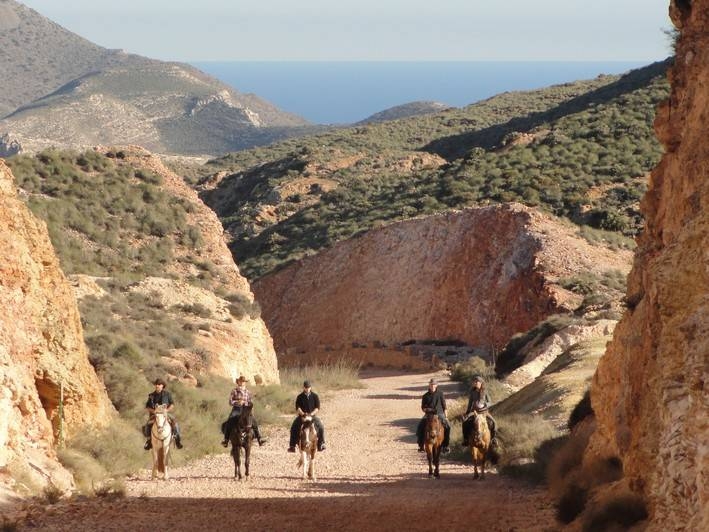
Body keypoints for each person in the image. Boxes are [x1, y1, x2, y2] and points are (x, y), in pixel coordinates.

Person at [220, 375, 267, 447]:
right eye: (240, 381)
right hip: (236, 409)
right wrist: (237, 402)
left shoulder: (248, 392)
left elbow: (250, 402)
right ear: (238, 382)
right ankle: (226, 440)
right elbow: (230, 402)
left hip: (246, 409)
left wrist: (246, 404)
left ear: (245, 383)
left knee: (254, 421)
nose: (242, 383)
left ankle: (259, 439)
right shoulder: (234, 391)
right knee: (230, 420)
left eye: (243, 381)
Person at [144, 378, 183, 450]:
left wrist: (167, 410)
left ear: (162, 386)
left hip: (165, 414)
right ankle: (149, 441)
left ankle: (177, 440)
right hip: (155, 415)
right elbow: (147, 407)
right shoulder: (151, 396)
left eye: (159, 384)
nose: (157, 386)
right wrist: (153, 411)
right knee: (147, 425)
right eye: (156, 384)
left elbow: (172, 404)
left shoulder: (167, 394)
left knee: (175, 423)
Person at [287, 380, 326, 452]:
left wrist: (311, 414)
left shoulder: (315, 396)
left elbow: (317, 408)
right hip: (302, 416)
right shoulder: (300, 397)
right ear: (303, 388)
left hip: (312, 416)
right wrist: (303, 414)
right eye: (306, 388)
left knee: (321, 426)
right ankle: (292, 446)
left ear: (310, 388)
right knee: (293, 427)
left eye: (308, 387)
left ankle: (321, 443)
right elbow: (298, 408)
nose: (307, 389)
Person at [416, 378, 451, 453]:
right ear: (429, 385)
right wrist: (427, 410)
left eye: (434, 384)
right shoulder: (425, 396)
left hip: (440, 414)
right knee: (420, 426)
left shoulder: (440, 393)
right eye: (431, 384)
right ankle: (421, 445)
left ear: (436, 385)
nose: (432, 386)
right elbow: (423, 407)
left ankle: (446, 445)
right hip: (429, 415)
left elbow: (444, 406)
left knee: (448, 426)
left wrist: (446, 417)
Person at [462, 375, 497, 447]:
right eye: (474, 382)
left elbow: (490, 402)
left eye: (477, 382)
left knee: (494, 422)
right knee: (465, 423)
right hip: (475, 412)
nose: (475, 383)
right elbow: (470, 403)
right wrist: (467, 412)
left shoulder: (485, 391)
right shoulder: (472, 392)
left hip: (484, 412)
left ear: (481, 383)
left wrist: (485, 405)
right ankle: (466, 439)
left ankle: (493, 439)